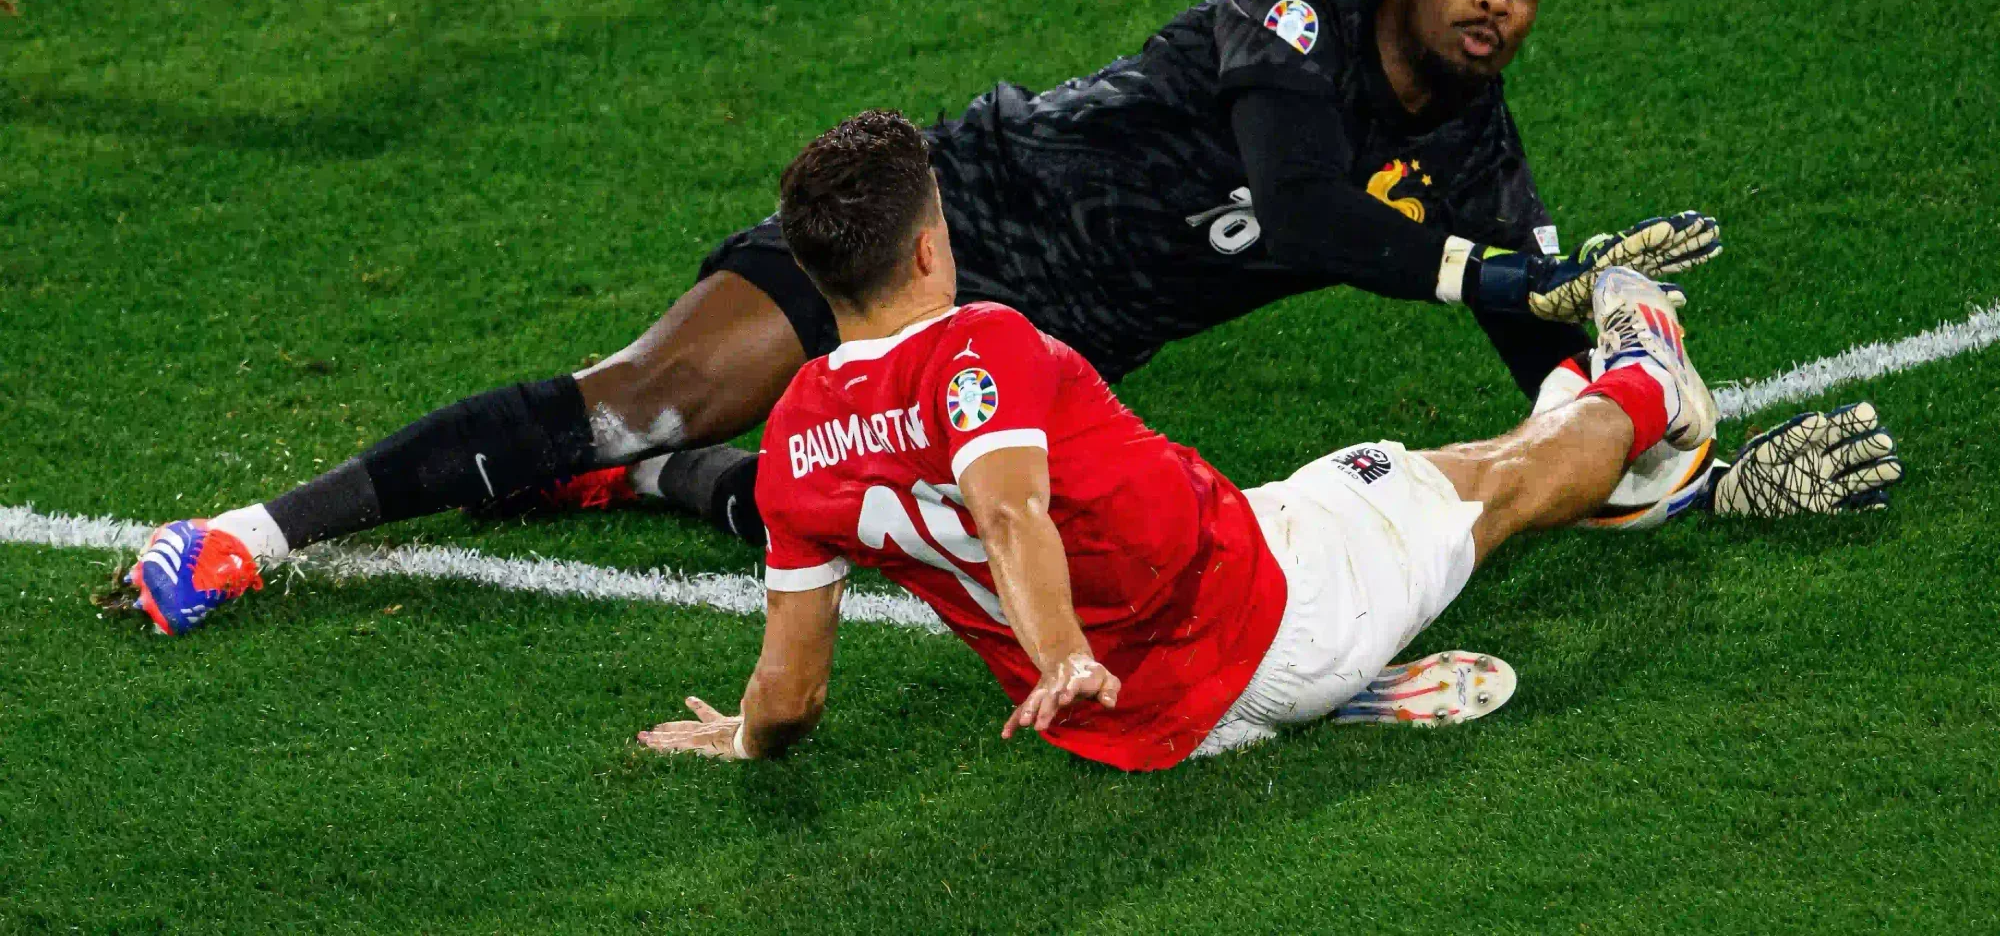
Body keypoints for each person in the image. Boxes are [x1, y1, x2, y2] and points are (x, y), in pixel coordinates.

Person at [125, 0, 1744, 636]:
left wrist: (1642, 393)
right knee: (651, 388)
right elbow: (1312, 212)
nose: (1498, 3)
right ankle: (254, 537)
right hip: (954, 216)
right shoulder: (1299, 2)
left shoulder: (1485, 153)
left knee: (924, 542)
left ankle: (665, 489)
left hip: (1061, 343)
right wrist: (1520, 282)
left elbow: (1554, 383)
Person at [632, 112, 1898, 769]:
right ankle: (1645, 387)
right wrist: (1061, 646)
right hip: (1260, 615)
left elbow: (790, 690)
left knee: (1305, 488)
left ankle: (1303, 700)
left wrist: (746, 737)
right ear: (926, 246)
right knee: (1487, 477)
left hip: (1119, 725)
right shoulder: (980, 345)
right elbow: (1009, 507)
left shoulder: (795, 436)